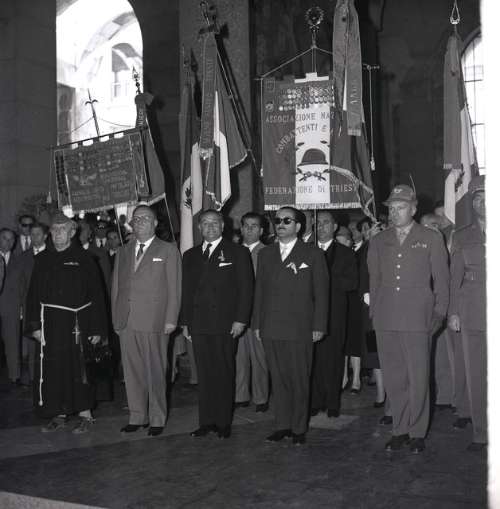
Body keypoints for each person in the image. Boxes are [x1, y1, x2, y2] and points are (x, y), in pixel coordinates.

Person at [368, 184, 449, 454]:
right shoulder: (379, 240)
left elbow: (442, 280)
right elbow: (374, 280)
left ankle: (417, 432)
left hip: (418, 317)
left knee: (418, 376)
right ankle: (399, 429)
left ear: (413, 209)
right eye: (391, 208)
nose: (394, 213)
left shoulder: (430, 238)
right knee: (394, 377)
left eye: (400, 207)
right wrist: (374, 314)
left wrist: (439, 313)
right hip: (386, 317)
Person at [24, 212, 107, 433]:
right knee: (53, 369)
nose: (58, 233)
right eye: (54, 229)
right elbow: (33, 295)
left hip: (78, 324)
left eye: (63, 229)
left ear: (72, 232)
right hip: (50, 324)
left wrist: (97, 328)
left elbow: (97, 295)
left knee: (79, 369)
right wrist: (35, 326)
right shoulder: (42, 260)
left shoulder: (86, 259)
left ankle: (85, 414)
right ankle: (58, 413)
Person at [253, 207, 329, 445]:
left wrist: (319, 325)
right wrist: (257, 324)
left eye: (287, 220)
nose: (281, 224)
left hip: (300, 327)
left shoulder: (313, 254)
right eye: (277, 220)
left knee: (299, 379)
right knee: (278, 378)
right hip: (271, 326)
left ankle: (298, 428)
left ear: (298, 226)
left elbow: (322, 294)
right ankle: (282, 425)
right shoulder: (265, 254)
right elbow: (259, 291)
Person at [181, 210, 254, 439]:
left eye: (215, 223)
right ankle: (206, 421)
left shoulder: (237, 252)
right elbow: (186, 291)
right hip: (199, 323)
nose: (210, 227)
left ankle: (223, 422)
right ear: (199, 227)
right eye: (205, 223)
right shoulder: (190, 255)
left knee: (223, 372)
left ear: (223, 226)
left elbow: (246, 289)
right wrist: (185, 322)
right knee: (204, 375)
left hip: (225, 323)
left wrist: (241, 319)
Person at [111, 205, 181, 437]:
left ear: (155, 223)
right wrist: (116, 318)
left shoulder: (168, 250)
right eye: (136, 218)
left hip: (155, 320)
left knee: (156, 371)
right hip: (127, 320)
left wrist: (171, 319)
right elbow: (116, 288)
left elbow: (175, 288)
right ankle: (137, 416)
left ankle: (157, 418)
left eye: (145, 218)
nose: (140, 222)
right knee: (132, 372)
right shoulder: (123, 251)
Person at [448, 175, 486, 452]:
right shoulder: (462, 236)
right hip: (472, 310)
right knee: (476, 375)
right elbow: (454, 278)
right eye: (477, 198)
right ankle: (482, 433)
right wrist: (453, 312)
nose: (482, 203)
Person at [311, 210, 357, 418]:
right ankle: (315, 400)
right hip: (311, 314)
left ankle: (332, 402)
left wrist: (326, 279)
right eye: (318, 223)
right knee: (314, 359)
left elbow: (352, 283)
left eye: (326, 222)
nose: (321, 227)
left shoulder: (346, 253)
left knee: (333, 358)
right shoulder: (307, 250)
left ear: (335, 226)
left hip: (335, 314)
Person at [234, 212, 269, 412]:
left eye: (254, 226)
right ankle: (240, 395)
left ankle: (261, 397)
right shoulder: (233, 251)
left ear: (261, 230)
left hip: (258, 313)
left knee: (259, 358)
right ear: (241, 228)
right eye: (246, 225)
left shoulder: (268, 253)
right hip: (237, 313)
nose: (249, 229)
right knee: (238, 357)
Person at [18, 222, 49, 384]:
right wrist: (21, 306)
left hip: (49, 305)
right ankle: (33, 378)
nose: (34, 237)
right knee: (32, 344)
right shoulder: (24, 257)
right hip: (30, 305)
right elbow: (20, 284)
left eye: (38, 234)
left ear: (45, 236)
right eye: (32, 234)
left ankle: (49, 377)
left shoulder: (53, 254)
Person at [0, 228, 22, 384]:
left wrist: (21, 306)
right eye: (4, 238)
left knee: (12, 342)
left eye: (11, 239)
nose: (8, 242)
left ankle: (14, 376)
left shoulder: (19, 260)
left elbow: (22, 285)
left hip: (11, 306)